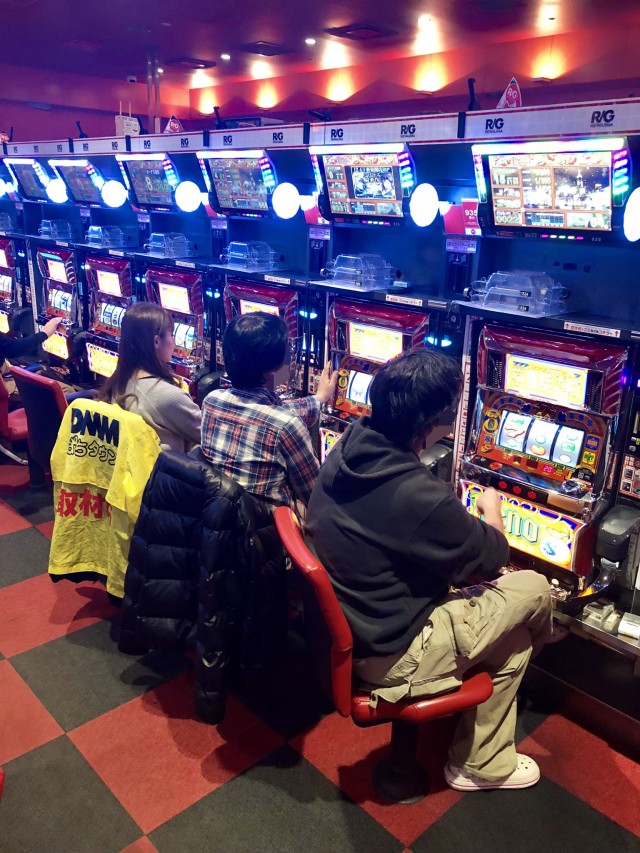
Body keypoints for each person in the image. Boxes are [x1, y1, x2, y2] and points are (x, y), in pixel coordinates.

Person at [305, 349, 553, 792]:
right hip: (393, 652)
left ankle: (482, 760)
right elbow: (492, 556)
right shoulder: (417, 494)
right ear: (433, 425)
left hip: (352, 628)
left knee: (514, 639)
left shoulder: (349, 444)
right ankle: (546, 653)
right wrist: (491, 510)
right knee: (535, 589)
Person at [201, 311, 337, 509]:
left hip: (218, 513)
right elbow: (315, 496)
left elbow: (264, 413)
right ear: (273, 371)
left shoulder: (212, 400)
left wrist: (319, 398)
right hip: (266, 524)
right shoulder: (286, 426)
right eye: (288, 355)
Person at [98, 302, 201, 453]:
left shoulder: (118, 381)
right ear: (157, 341)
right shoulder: (169, 396)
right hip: (160, 467)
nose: (174, 342)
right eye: (172, 335)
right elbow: (210, 437)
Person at [1, 316, 63, 404]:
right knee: (66, 390)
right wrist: (44, 333)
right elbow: (13, 348)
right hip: (3, 383)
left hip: (4, 368)